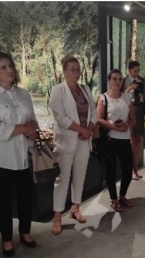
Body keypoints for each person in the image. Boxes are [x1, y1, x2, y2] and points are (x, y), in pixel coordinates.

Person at [0, 51, 39, 256]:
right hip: (3, 158)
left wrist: (31, 128)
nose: (9, 70)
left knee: (25, 198)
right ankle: (7, 239)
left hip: (23, 155)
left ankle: (25, 231)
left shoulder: (23, 94)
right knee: (3, 202)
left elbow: (33, 119)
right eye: (3, 67)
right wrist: (23, 128)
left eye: (10, 66)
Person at [49, 55, 98, 235]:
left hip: (84, 140)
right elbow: (60, 117)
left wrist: (90, 128)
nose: (76, 72)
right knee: (63, 178)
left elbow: (94, 112)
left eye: (78, 69)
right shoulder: (58, 90)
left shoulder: (85, 89)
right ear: (64, 71)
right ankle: (57, 217)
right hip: (66, 140)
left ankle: (75, 208)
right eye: (72, 69)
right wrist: (81, 129)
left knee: (80, 175)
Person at [97, 69, 136, 212]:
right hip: (110, 140)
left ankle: (122, 196)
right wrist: (113, 126)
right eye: (114, 79)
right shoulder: (103, 98)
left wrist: (127, 125)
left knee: (127, 170)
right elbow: (99, 119)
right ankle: (114, 199)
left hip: (125, 139)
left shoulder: (127, 97)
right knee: (111, 171)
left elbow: (133, 118)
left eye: (120, 79)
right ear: (109, 80)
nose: (118, 82)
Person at [123, 60, 145, 180]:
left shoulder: (143, 81)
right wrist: (129, 88)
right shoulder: (123, 81)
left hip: (139, 112)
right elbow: (120, 97)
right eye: (135, 70)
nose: (137, 73)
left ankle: (135, 168)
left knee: (137, 140)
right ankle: (128, 169)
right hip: (127, 112)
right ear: (129, 70)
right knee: (129, 141)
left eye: (138, 70)